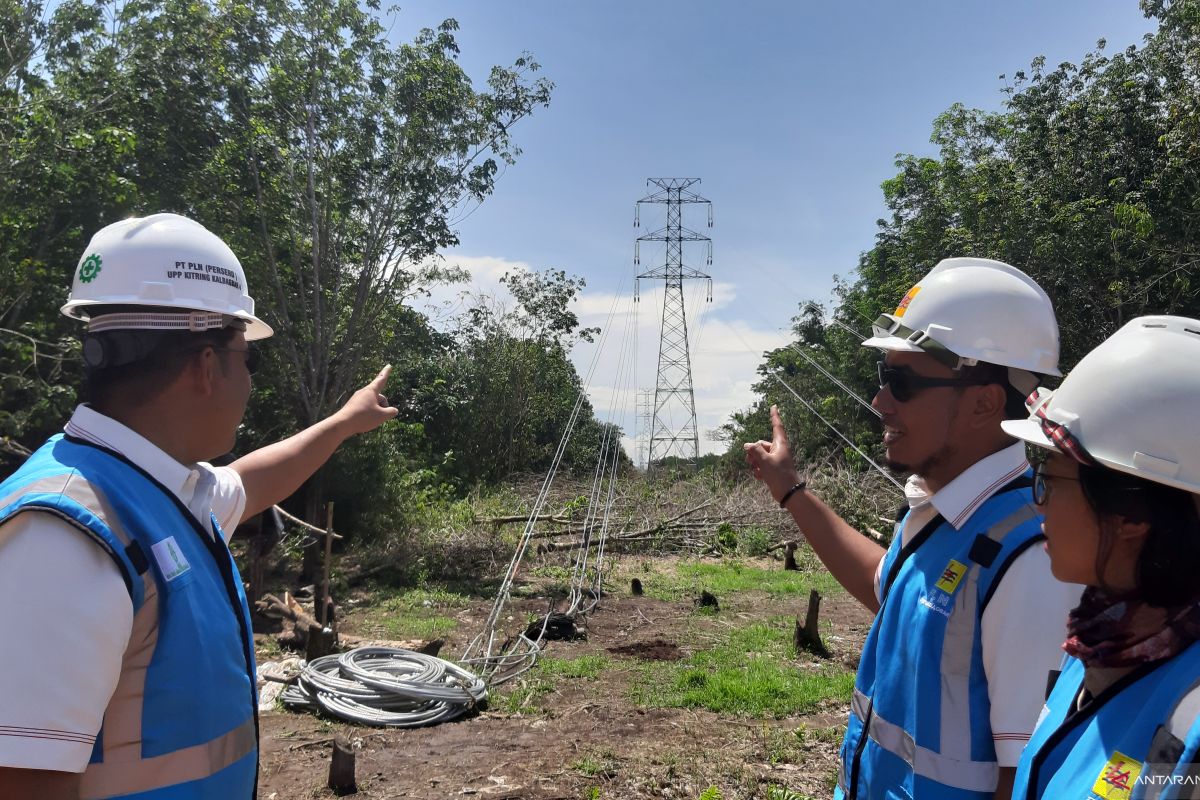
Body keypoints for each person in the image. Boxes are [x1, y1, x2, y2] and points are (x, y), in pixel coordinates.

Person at [0, 213, 398, 799]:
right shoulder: (61, 538)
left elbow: (252, 481)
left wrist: (344, 423)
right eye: (248, 358)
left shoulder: (156, 489)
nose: (250, 382)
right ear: (206, 366)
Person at [745, 257, 1084, 800]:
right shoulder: (944, 512)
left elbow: (1021, 778)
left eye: (900, 382)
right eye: (883, 378)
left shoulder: (1031, 561)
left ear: (983, 403)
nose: (880, 402)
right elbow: (887, 584)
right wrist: (790, 489)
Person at [1003, 315, 1200, 800]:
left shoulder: (1192, 720)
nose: (1039, 502)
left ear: (1131, 510)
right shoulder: (1102, 639)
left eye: (1049, 477)